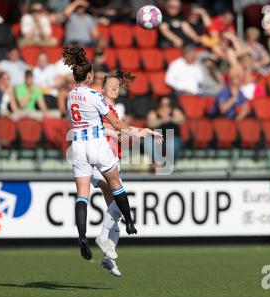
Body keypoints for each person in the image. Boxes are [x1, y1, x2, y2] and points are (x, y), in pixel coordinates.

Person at [62, 45, 163, 261]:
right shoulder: (94, 96)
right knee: (116, 184)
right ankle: (129, 221)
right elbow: (116, 122)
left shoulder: (70, 96)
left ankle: (82, 237)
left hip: (78, 147)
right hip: (97, 145)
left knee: (82, 195)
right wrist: (135, 131)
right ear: (90, 76)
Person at [93, 70, 143, 277]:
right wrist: (115, 132)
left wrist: (122, 137)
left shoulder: (113, 109)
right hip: (97, 159)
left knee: (117, 212)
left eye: (117, 85)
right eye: (110, 84)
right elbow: (93, 128)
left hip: (112, 160)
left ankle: (108, 256)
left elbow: (117, 130)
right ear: (102, 87)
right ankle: (103, 239)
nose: (114, 86)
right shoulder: (97, 103)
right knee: (117, 202)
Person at [146, 96, 185, 170]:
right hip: (157, 138)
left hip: (172, 136)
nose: (165, 107)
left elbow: (181, 119)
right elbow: (150, 124)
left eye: (167, 105)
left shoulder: (175, 111)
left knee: (172, 143)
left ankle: (170, 164)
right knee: (148, 142)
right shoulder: (153, 112)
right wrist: (162, 120)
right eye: (162, 104)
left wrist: (170, 119)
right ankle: (157, 163)